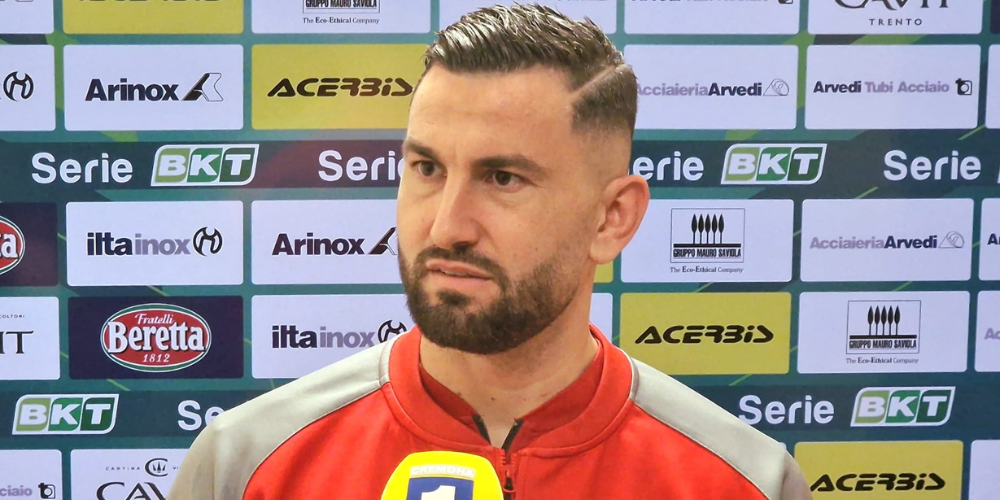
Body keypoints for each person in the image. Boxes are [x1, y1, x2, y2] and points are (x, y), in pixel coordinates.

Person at [169, 4, 813, 500]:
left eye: (503, 178)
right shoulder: (245, 465)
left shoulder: (744, 481)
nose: (447, 226)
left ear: (612, 218)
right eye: (426, 168)